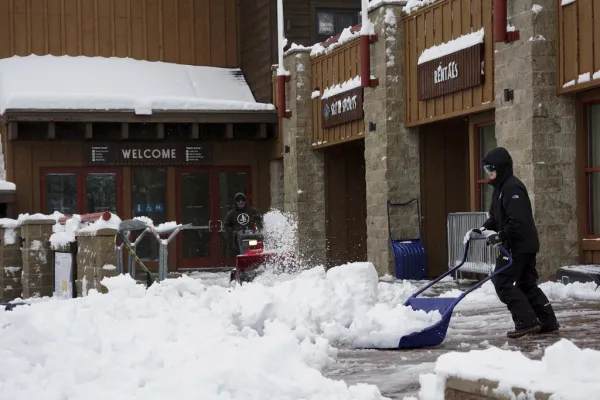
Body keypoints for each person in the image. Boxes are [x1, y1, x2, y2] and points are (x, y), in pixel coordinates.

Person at [468, 147, 559, 339]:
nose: (488, 173)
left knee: (502, 281)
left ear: (501, 167)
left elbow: (518, 221)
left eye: (491, 168)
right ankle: (547, 322)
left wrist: (501, 236)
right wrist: (484, 229)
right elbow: (496, 217)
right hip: (517, 244)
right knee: (526, 284)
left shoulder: (512, 187)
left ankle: (526, 322)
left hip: (520, 245)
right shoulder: (500, 188)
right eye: (485, 169)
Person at [224, 192, 263, 259]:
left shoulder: (251, 211)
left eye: (242, 200)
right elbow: (226, 225)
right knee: (239, 252)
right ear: (236, 202)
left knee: (254, 249)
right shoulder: (231, 214)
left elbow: (260, 220)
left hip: (251, 235)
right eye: (238, 201)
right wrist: (233, 231)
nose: (241, 202)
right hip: (237, 238)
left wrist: (259, 228)